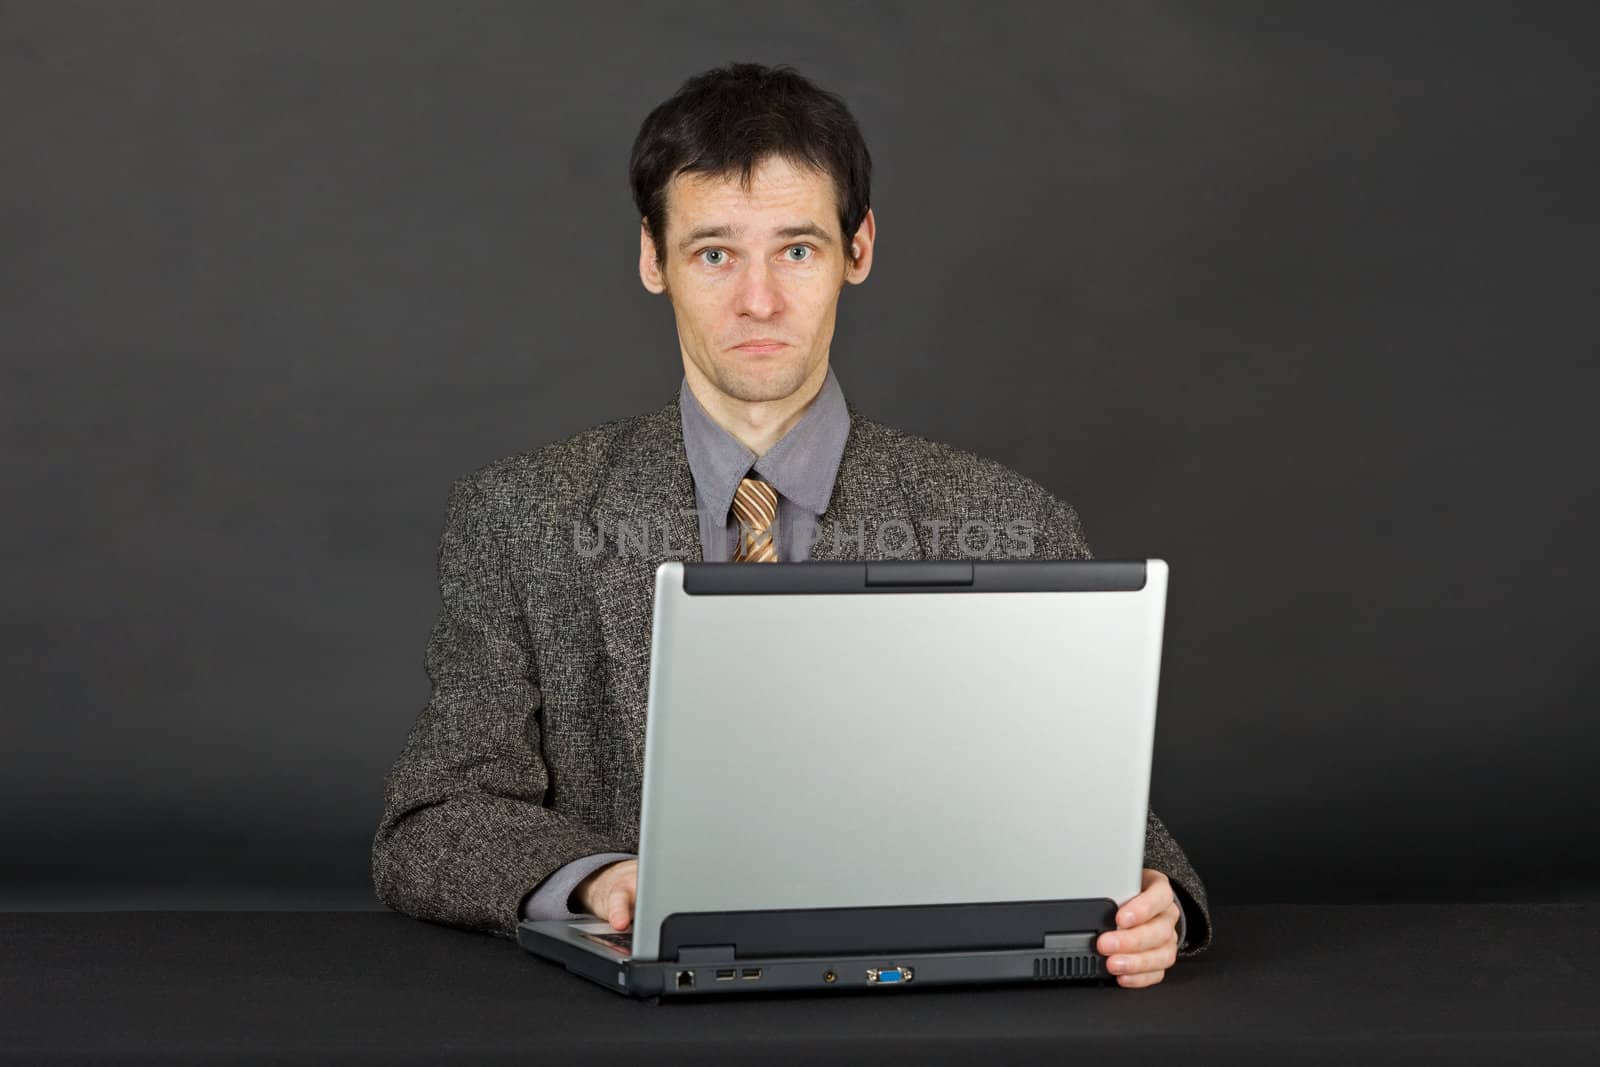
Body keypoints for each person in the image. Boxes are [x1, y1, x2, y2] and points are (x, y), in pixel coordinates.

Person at [372, 62, 1211, 989]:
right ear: (653, 259)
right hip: (632, 1026)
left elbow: (1118, 829)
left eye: (798, 250)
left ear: (859, 250)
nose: (760, 301)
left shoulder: (1014, 521)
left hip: (932, 1013)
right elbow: (435, 815)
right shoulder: (520, 516)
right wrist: (601, 880)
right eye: (715, 253)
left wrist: (1156, 895)